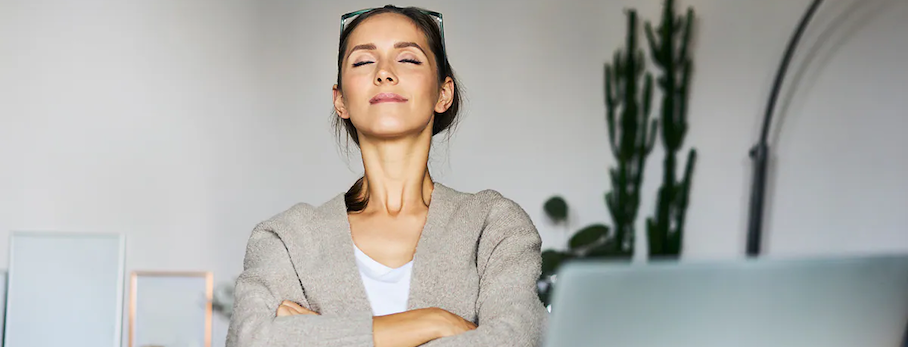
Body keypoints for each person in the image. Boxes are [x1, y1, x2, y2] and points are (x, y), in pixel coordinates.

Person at [226, 5, 548, 347]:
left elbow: (516, 340)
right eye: (363, 62)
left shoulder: (494, 226)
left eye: (408, 59)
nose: (384, 73)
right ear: (340, 101)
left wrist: (320, 332)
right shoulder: (287, 239)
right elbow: (251, 339)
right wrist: (434, 321)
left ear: (444, 93)